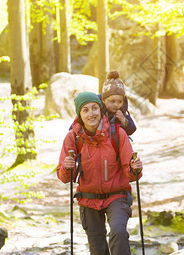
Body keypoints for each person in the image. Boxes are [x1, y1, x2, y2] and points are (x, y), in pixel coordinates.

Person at [57, 92, 143, 254]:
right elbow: (64, 177)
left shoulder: (117, 133)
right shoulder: (73, 137)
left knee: (119, 232)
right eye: (86, 110)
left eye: (95, 108)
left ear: (101, 110)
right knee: (97, 248)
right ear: (79, 115)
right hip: (88, 198)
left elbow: (131, 173)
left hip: (117, 195)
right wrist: (67, 167)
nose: (91, 114)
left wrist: (135, 168)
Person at [101, 70, 136, 136]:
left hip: (117, 143)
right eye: (112, 101)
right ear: (103, 100)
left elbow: (132, 129)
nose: (116, 105)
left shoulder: (122, 112)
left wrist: (123, 120)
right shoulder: (99, 111)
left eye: (120, 102)